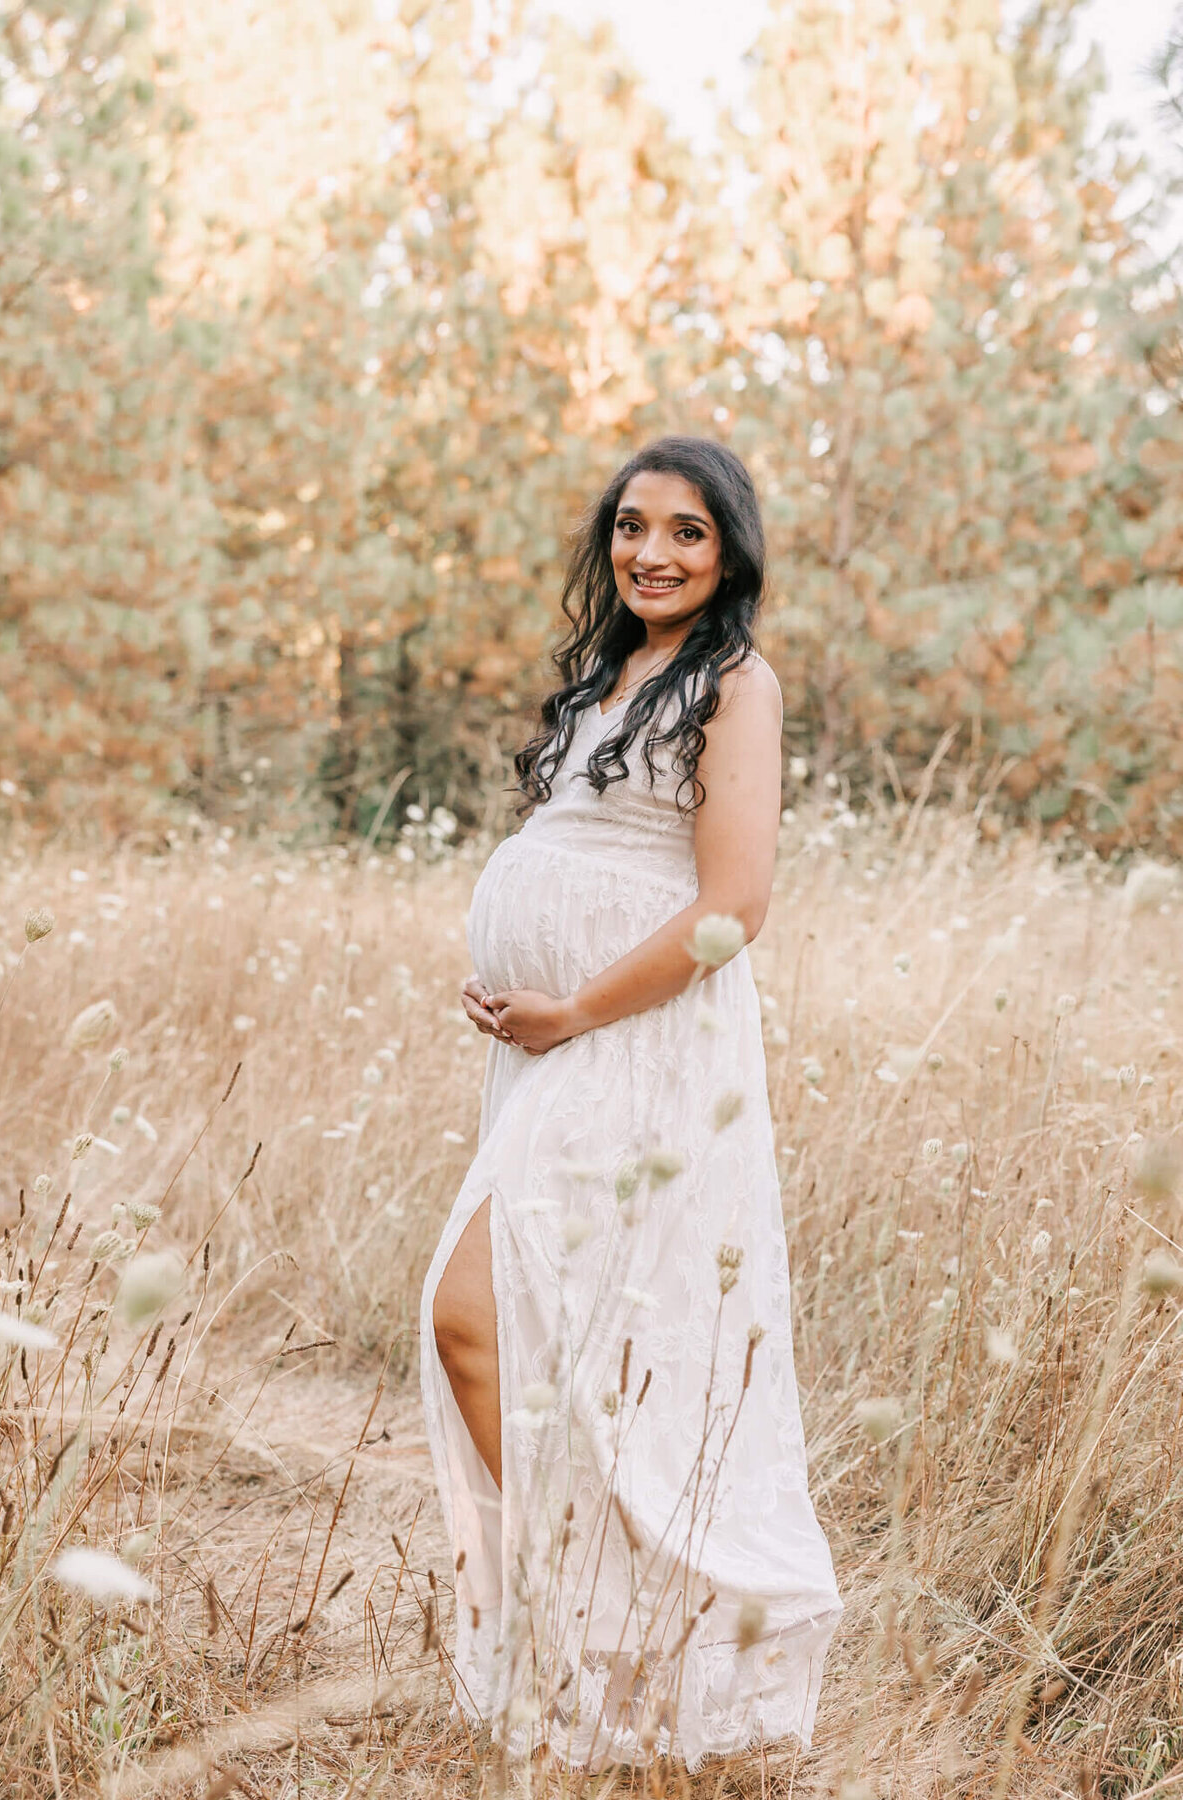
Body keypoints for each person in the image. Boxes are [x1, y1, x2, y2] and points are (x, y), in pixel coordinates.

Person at [419, 435, 842, 1774]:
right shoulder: (612, 676)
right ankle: (587, 1635)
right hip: (551, 1046)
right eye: (630, 526)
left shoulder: (737, 684)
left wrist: (573, 1006)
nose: (650, 552)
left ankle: (646, 1633)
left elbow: (732, 908)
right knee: (554, 1341)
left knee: (488, 1318)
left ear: (732, 554)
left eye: (687, 534)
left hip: (641, 1043)